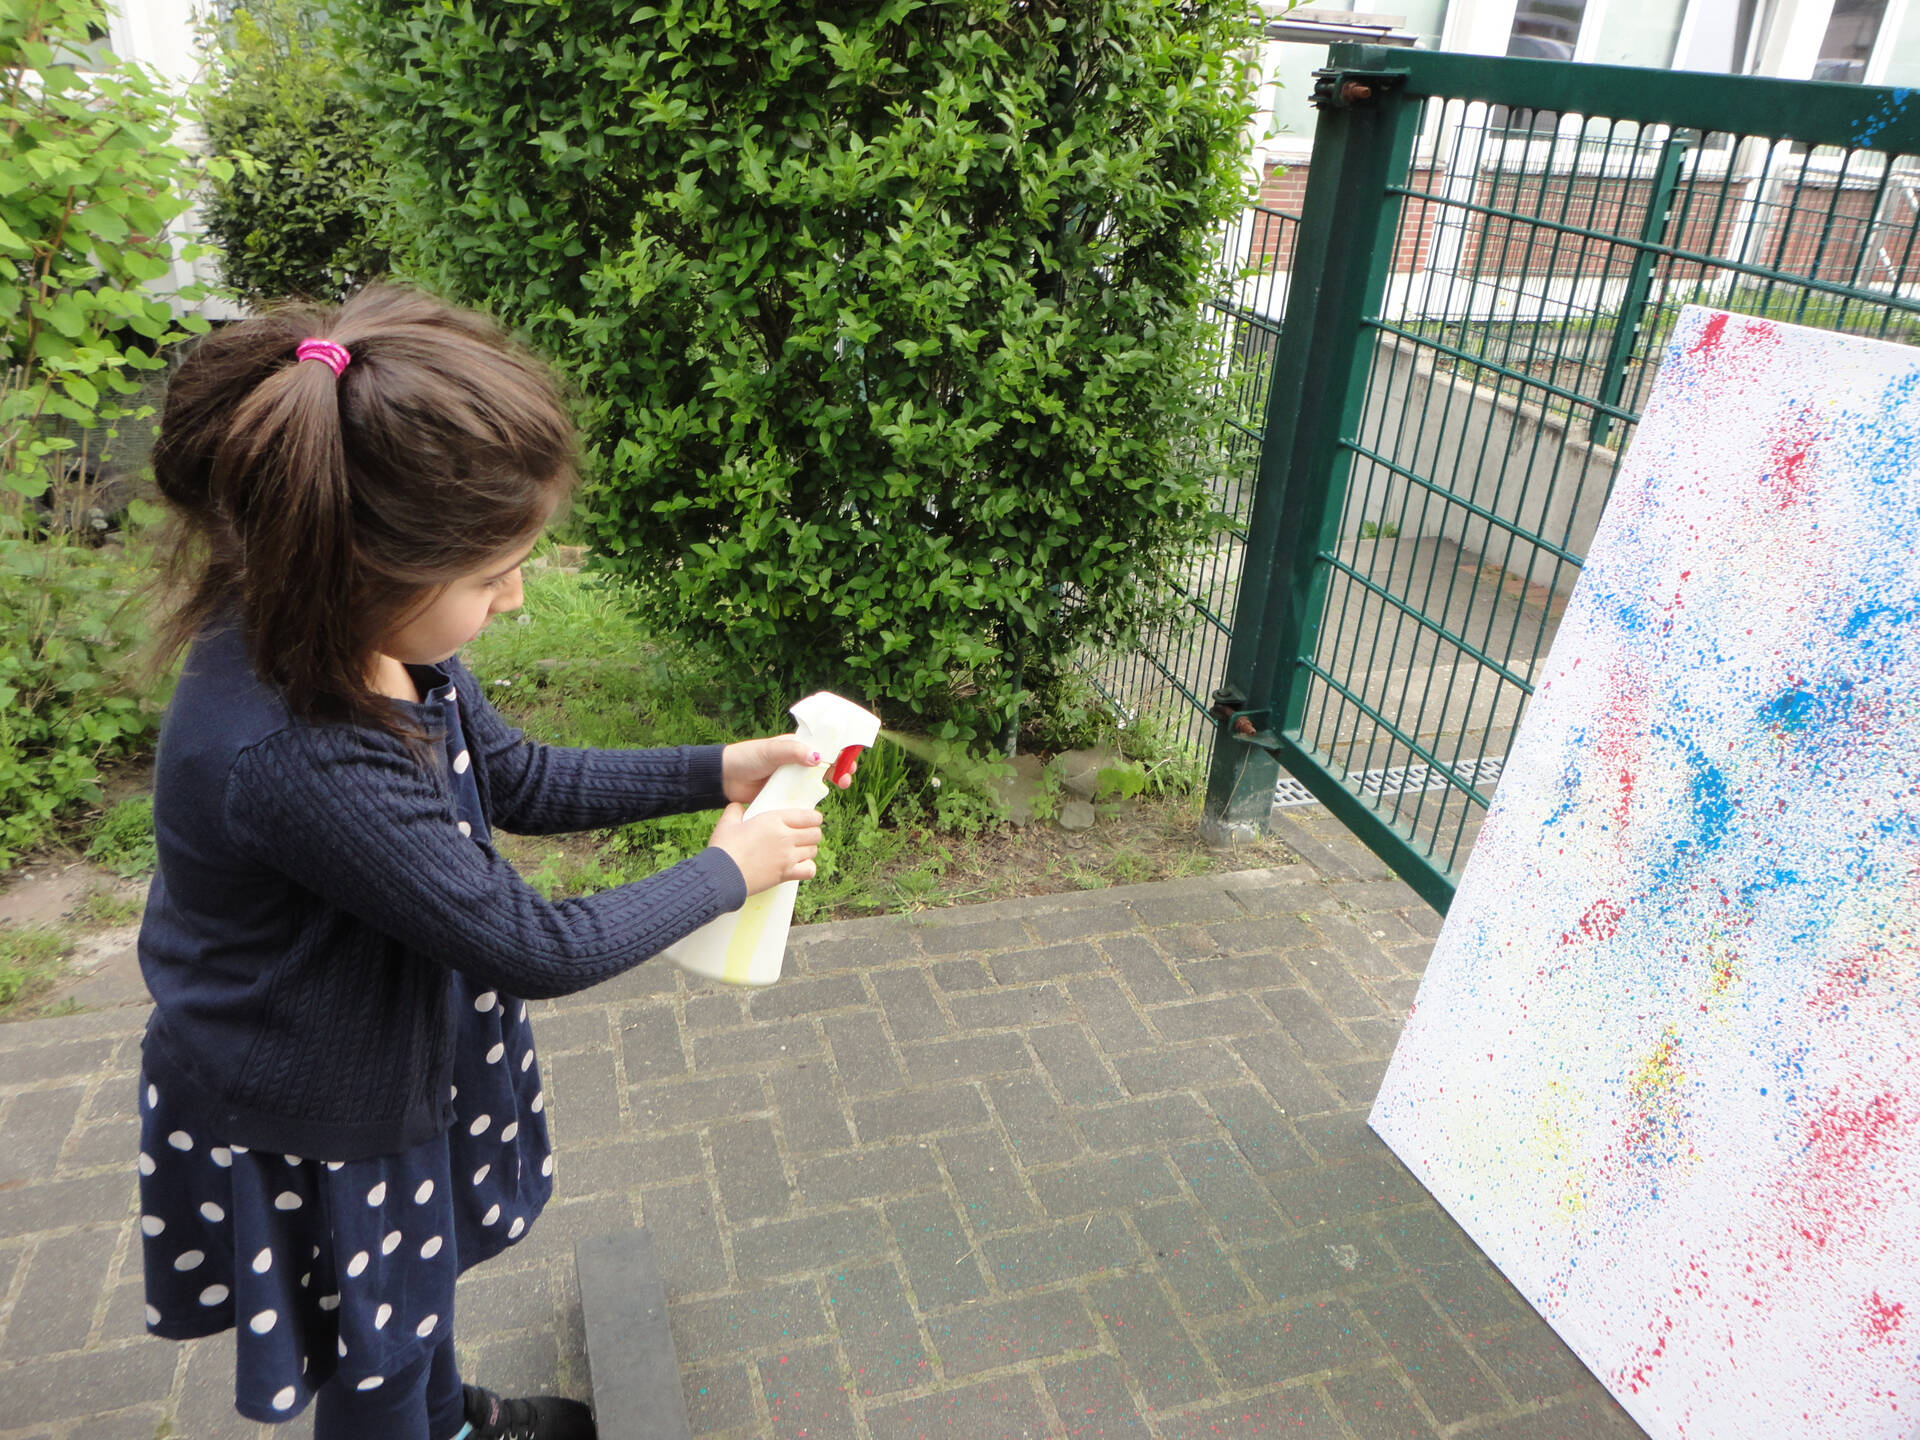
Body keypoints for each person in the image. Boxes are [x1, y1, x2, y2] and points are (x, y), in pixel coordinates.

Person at [133, 286, 844, 1440]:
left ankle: (447, 1418)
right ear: (358, 563)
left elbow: (522, 780)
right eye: (489, 575)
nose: (514, 595)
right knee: (372, 1355)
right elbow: (533, 944)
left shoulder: (375, 641)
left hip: (387, 1052)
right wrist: (732, 868)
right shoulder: (296, 752)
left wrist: (721, 768)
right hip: (320, 1112)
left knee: (413, 1295)